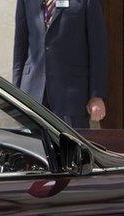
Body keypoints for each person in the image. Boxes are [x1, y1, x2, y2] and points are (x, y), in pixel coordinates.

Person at [12, 0, 108, 128]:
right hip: (31, 95)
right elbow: (20, 46)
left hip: (71, 98)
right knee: (29, 146)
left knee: (69, 147)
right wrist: (14, 91)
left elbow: (98, 48)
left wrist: (96, 95)